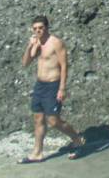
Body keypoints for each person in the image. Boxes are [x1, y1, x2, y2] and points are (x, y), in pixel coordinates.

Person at [20, 16, 84, 163]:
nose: (38, 31)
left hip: (53, 85)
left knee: (54, 121)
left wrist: (62, 88)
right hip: (40, 85)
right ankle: (37, 153)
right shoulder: (37, 43)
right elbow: (25, 63)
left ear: (47, 27)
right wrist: (30, 46)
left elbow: (64, 66)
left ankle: (77, 139)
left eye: (41, 28)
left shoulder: (56, 43)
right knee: (38, 119)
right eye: (35, 29)